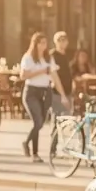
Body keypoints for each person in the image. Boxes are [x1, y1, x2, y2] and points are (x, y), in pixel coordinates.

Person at [19, 33, 66, 163]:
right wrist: (41, 71)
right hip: (31, 92)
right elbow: (23, 75)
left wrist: (62, 95)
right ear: (35, 44)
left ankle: (27, 143)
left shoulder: (48, 58)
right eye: (41, 43)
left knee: (41, 122)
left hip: (45, 91)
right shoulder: (28, 57)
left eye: (45, 43)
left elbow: (55, 77)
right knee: (38, 121)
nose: (43, 46)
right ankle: (34, 153)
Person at [50, 31, 74, 119]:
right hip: (56, 92)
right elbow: (53, 75)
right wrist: (62, 94)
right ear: (55, 41)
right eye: (59, 40)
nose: (62, 42)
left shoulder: (67, 56)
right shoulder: (52, 55)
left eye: (64, 40)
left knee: (67, 116)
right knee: (57, 116)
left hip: (68, 91)